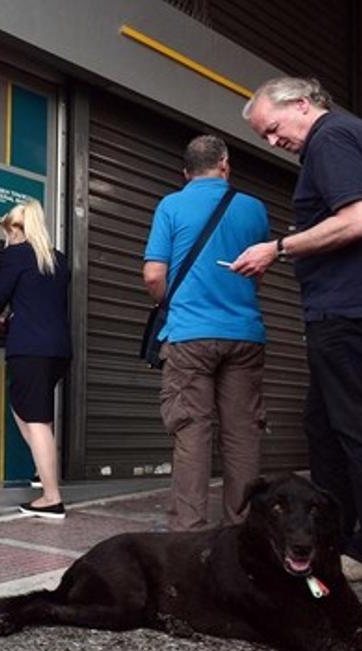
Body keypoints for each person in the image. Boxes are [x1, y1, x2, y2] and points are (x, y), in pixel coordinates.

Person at [233, 77, 362, 582]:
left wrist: (279, 248)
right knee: (326, 426)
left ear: (304, 105)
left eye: (272, 129)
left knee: (359, 429)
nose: (273, 142)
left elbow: (358, 221)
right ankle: (340, 536)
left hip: (347, 309)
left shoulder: (329, 139)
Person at [142, 135, 270, 531]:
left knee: (191, 430)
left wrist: (171, 303)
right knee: (242, 435)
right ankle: (244, 529)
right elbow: (258, 271)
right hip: (244, 334)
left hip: (190, 336)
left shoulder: (172, 205)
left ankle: (189, 532)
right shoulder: (254, 209)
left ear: (186, 172)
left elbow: (153, 274)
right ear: (225, 165)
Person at [0, 199, 72, 519]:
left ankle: (51, 498)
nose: (7, 238)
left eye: (9, 230)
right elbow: (38, 299)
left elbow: (0, 294)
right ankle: (44, 472)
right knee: (32, 408)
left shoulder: (17, 254)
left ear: (20, 228)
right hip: (58, 349)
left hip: (30, 348)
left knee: (34, 416)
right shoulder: (58, 260)